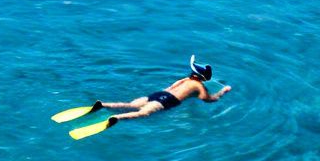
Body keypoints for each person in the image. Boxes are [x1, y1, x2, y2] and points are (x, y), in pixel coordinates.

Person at [91, 56, 230, 126]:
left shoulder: (184, 80)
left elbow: (169, 88)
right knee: (143, 113)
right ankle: (117, 118)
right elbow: (209, 99)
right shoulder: (199, 86)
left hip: (159, 94)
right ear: (203, 78)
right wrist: (222, 92)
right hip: (168, 100)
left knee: (131, 105)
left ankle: (103, 104)